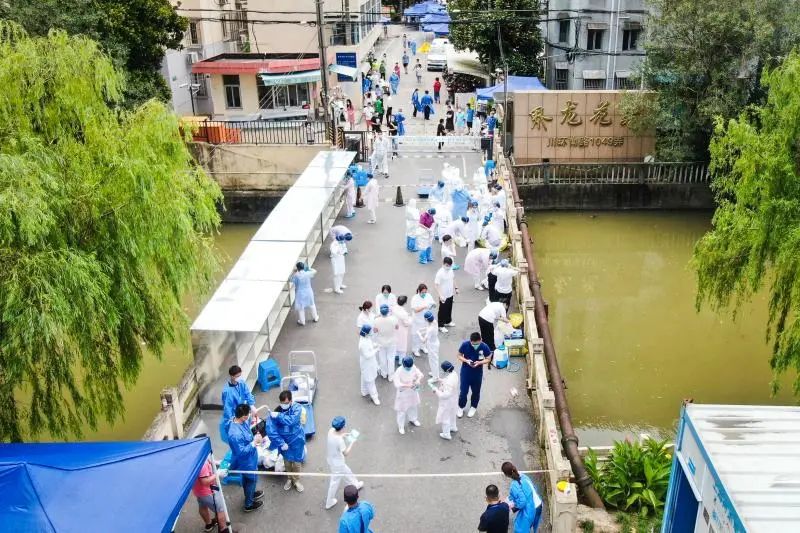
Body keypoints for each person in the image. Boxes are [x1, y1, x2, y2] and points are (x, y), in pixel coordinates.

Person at [267, 390, 307, 492]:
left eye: (286, 403)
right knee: (287, 463)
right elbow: (271, 431)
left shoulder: (297, 408)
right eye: (282, 403)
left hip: (297, 440)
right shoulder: (277, 411)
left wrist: (279, 416)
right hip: (285, 443)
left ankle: (296, 480)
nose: (283, 405)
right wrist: (281, 443)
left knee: (297, 463)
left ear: (291, 401)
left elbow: (292, 420)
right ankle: (289, 479)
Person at [227, 404, 265, 512]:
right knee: (251, 480)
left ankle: (251, 494)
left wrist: (253, 414)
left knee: (247, 479)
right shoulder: (235, 434)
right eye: (248, 414)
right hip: (246, 461)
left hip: (250, 457)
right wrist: (254, 443)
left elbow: (247, 425)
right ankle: (249, 504)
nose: (249, 416)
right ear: (243, 416)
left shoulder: (237, 421)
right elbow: (242, 452)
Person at [326, 417, 364, 510]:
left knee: (347, 472)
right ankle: (329, 502)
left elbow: (336, 436)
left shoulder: (331, 431)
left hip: (332, 459)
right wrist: (352, 442)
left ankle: (355, 484)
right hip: (338, 463)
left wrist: (343, 435)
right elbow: (345, 453)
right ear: (342, 426)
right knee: (334, 482)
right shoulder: (339, 441)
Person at [457, 332, 492, 418]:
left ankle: (473, 407)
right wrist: (466, 361)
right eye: (473, 344)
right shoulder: (465, 345)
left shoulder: (484, 346)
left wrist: (480, 362)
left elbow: (488, 358)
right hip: (466, 372)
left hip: (477, 373)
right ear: (470, 341)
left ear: (481, 340)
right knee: (463, 392)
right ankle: (461, 407)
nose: (475, 346)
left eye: (477, 344)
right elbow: (459, 355)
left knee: (476, 391)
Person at [502, 462, 543, 533]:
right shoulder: (523, 476)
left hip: (531, 509)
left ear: (506, 475)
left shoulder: (514, 485)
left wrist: (514, 508)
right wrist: (508, 499)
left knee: (521, 529)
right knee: (533, 527)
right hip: (539, 504)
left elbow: (522, 502)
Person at [193, 457, 232, 532]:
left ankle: (209, 524)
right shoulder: (203, 463)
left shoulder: (195, 456)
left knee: (202, 506)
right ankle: (223, 529)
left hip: (198, 490)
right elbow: (205, 481)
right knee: (220, 509)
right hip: (208, 491)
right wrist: (218, 473)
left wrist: (214, 462)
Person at [220, 364, 256, 440]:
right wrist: (232, 423)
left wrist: (252, 405)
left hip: (242, 412)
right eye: (237, 376)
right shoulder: (227, 392)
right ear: (232, 376)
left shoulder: (241, 383)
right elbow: (228, 410)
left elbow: (247, 393)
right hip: (235, 416)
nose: (239, 378)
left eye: (240, 375)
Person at [394, 356, 423, 434]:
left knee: (413, 406)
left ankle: (413, 419)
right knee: (402, 410)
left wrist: (418, 380)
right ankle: (401, 426)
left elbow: (420, 374)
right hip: (403, 392)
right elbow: (397, 383)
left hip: (412, 391)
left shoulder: (412, 366)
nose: (409, 368)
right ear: (403, 365)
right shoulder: (399, 371)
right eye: (408, 367)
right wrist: (407, 385)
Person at [373, 304, 399, 380]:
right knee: (391, 359)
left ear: (380, 312)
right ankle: (391, 376)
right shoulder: (393, 319)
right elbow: (397, 327)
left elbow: (375, 330)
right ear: (388, 311)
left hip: (381, 342)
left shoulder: (376, 320)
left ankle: (384, 373)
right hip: (392, 342)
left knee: (382, 358)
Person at [357, 325, 381, 405]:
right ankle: (375, 397)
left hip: (370, 362)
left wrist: (375, 345)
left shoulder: (366, 338)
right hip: (367, 363)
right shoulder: (362, 344)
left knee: (365, 377)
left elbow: (370, 343)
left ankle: (364, 391)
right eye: (370, 331)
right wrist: (376, 350)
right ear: (367, 333)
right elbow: (367, 355)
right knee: (370, 380)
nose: (372, 332)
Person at [410, 283, 436, 356]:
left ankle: (423, 347)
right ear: (419, 291)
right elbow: (415, 310)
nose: (424, 293)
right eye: (422, 292)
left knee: (425, 334)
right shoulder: (415, 298)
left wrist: (433, 305)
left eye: (425, 292)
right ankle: (415, 349)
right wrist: (424, 307)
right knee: (416, 335)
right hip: (417, 320)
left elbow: (432, 303)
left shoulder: (428, 296)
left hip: (426, 320)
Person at [434, 256, 457, 332]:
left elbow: (453, 279)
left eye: (450, 265)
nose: (448, 267)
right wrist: (440, 295)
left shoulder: (451, 270)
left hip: (450, 293)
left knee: (449, 308)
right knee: (442, 310)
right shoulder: (440, 273)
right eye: (447, 265)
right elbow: (436, 285)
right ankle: (440, 325)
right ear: (443, 264)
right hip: (443, 295)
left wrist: (456, 288)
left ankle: (448, 321)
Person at [418, 311, 440, 379]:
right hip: (434, 342)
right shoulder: (434, 321)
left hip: (432, 346)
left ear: (426, 319)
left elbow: (423, 340)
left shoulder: (430, 330)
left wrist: (419, 334)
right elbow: (428, 327)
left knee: (433, 361)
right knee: (432, 360)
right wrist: (422, 329)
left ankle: (436, 377)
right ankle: (434, 373)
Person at [393, 295, 411, 361]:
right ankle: (401, 361)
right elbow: (406, 323)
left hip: (395, 328)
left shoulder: (394, 308)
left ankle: (396, 355)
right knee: (402, 345)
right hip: (402, 330)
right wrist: (410, 319)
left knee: (396, 343)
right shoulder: (404, 313)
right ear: (405, 303)